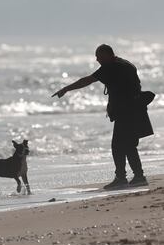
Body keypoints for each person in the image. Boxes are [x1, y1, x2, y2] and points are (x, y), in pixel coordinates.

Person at [52, 44, 153, 189]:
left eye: (99, 57)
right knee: (129, 145)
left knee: (118, 146)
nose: (97, 60)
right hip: (136, 109)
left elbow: (86, 80)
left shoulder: (111, 67)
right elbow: (125, 87)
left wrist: (66, 88)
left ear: (107, 55)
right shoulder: (125, 64)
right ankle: (138, 176)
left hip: (127, 112)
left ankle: (122, 178)